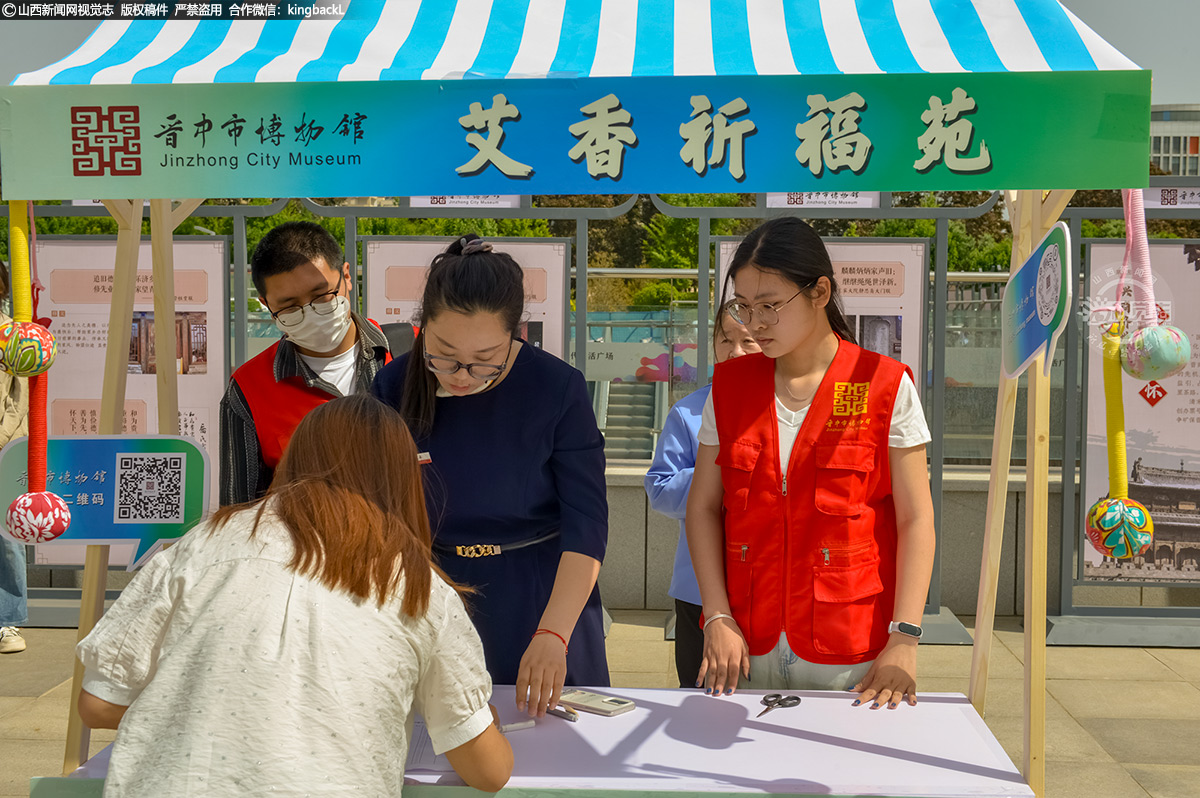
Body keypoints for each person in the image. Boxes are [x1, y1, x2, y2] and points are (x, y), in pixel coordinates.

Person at [76, 394, 513, 796]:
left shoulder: (206, 541)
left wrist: (213, 703)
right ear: (403, 477)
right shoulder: (419, 587)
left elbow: (98, 703)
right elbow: (489, 773)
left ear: (295, 459)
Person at [686, 217, 935, 711]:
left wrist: (904, 637)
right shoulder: (730, 388)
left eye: (769, 306)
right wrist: (716, 615)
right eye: (743, 306)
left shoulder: (883, 385)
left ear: (819, 292)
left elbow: (915, 517)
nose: (753, 324)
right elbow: (703, 508)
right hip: (743, 645)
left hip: (850, 649)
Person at [372, 235, 608, 718]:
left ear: (515, 334)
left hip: (542, 596)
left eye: (486, 358)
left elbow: (587, 525)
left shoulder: (556, 388)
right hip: (433, 593)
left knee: (558, 755)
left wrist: (553, 633)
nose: (462, 374)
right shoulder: (393, 385)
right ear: (423, 326)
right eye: (444, 353)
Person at [219, 221, 412, 506]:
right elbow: (238, 516)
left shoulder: (412, 353)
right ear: (267, 305)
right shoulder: (248, 390)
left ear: (346, 277)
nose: (311, 313)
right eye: (289, 306)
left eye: (322, 296)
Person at [645, 303, 759, 687]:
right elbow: (660, 489)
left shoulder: (789, 408)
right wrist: (723, 474)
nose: (735, 351)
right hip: (698, 588)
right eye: (725, 340)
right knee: (700, 696)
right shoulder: (689, 412)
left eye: (748, 340)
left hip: (768, 585)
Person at [0, 262, 31, 655]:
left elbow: (19, 398)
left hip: (3, 447)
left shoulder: (14, 336)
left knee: (6, 536)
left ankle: (7, 620)